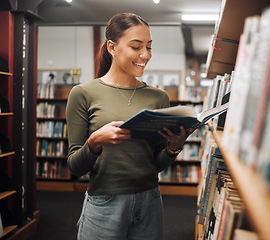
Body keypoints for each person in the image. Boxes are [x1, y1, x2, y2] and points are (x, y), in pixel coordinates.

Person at [66, 12, 192, 240]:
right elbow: (75, 167)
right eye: (136, 47)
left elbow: (155, 165)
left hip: (150, 201)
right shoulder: (83, 94)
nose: (145, 55)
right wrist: (94, 142)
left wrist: (173, 149)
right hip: (104, 203)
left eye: (149, 47)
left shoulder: (159, 97)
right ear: (112, 48)